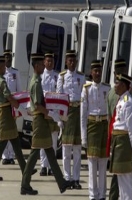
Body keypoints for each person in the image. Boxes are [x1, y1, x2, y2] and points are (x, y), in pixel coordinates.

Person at [20, 53, 71, 195]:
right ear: (37, 66)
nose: (44, 66)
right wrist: (53, 115)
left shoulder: (36, 80)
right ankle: (25, 184)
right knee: (34, 153)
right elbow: (37, 105)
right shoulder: (36, 82)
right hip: (39, 120)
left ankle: (62, 183)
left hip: (42, 120)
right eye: (42, 64)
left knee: (49, 151)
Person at [0, 55, 33, 181]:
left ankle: (25, 169)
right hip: (6, 113)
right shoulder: (1, 81)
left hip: (6, 112)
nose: (4, 69)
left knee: (15, 142)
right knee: (2, 142)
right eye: (2, 67)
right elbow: (10, 98)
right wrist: (22, 110)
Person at [81, 60, 110, 200]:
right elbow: (83, 114)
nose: (97, 74)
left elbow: (110, 112)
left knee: (103, 161)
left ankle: (102, 194)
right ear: (91, 73)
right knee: (92, 161)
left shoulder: (107, 88)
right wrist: (83, 136)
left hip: (104, 125)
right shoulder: (86, 89)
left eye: (99, 71)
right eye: (95, 71)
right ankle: (93, 195)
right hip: (92, 125)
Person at [56, 50, 85, 189]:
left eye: (74, 60)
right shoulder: (61, 77)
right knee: (66, 149)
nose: (72, 63)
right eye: (69, 60)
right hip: (66, 112)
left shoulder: (81, 77)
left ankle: (76, 179)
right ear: (66, 62)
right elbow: (58, 98)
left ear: (76, 61)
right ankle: (67, 177)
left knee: (77, 149)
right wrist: (59, 118)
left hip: (78, 111)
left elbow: (84, 98)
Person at [107, 59, 132, 200]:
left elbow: (131, 129)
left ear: (124, 85)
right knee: (120, 176)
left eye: (117, 83)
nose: (115, 86)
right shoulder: (121, 100)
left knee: (126, 177)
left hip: (124, 142)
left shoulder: (128, 103)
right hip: (118, 141)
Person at [39, 52, 59, 176]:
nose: (50, 63)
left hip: (54, 111)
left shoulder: (58, 76)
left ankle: (52, 166)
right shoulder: (40, 77)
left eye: (51, 61)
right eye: (47, 61)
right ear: (44, 62)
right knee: (43, 139)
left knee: (53, 140)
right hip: (44, 110)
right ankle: (43, 165)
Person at [1, 49, 22, 165]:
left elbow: (19, 89)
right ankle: (5, 155)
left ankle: (11, 155)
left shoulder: (15, 72)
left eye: (9, 58)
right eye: (6, 58)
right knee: (4, 130)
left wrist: (19, 105)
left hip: (13, 104)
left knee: (13, 130)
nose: (8, 60)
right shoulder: (0, 73)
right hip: (4, 105)